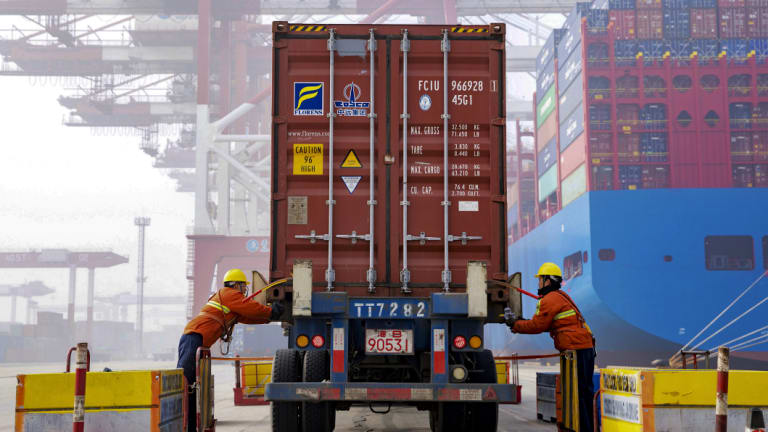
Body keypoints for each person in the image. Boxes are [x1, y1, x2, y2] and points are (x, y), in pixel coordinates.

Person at [177, 268, 284, 432]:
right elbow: (251, 308)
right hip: (193, 338)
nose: (244, 290)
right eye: (243, 286)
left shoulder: (230, 301)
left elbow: (248, 317)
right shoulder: (229, 295)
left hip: (194, 339)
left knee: (193, 386)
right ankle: (186, 425)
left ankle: (191, 425)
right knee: (187, 385)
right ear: (237, 285)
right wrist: (272, 312)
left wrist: (269, 318)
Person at [506, 262, 595, 432]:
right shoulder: (561, 296)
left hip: (575, 350)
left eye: (540, 280)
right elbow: (547, 323)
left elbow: (538, 325)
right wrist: (523, 321)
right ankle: (585, 427)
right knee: (584, 392)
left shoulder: (549, 300)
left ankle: (581, 428)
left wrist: (515, 324)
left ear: (547, 281)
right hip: (584, 347)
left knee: (578, 393)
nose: (538, 283)